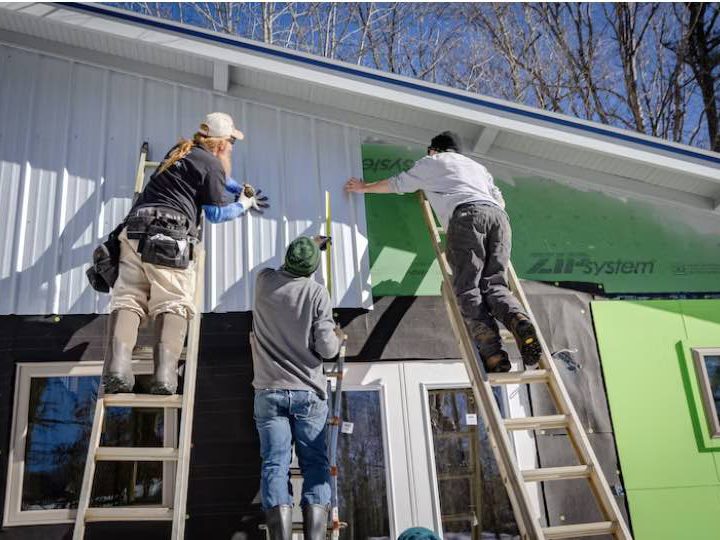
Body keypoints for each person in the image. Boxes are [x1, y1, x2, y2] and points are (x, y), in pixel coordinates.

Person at [344, 131, 541, 373]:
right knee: (495, 285)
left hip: (467, 217)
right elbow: (500, 202)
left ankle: (493, 355)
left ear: (434, 150)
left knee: (468, 287)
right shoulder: (478, 168)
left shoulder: (433, 162)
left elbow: (398, 184)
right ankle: (519, 320)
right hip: (499, 220)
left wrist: (364, 187)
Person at [103, 112, 269, 395]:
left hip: (134, 230)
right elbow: (215, 213)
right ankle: (164, 377)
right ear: (219, 145)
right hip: (169, 235)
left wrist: (237, 187)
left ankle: (117, 370)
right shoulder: (213, 165)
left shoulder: (180, 151)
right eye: (231, 142)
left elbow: (214, 177)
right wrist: (243, 203)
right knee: (173, 301)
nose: (232, 147)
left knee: (129, 298)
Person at [251, 235, 340, 540]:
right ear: (313, 268)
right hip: (307, 392)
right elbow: (327, 349)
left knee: (275, 463)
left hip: (269, 390)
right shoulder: (317, 293)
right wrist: (336, 337)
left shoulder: (263, 282)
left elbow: (281, 271)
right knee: (315, 463)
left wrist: (308, 246)